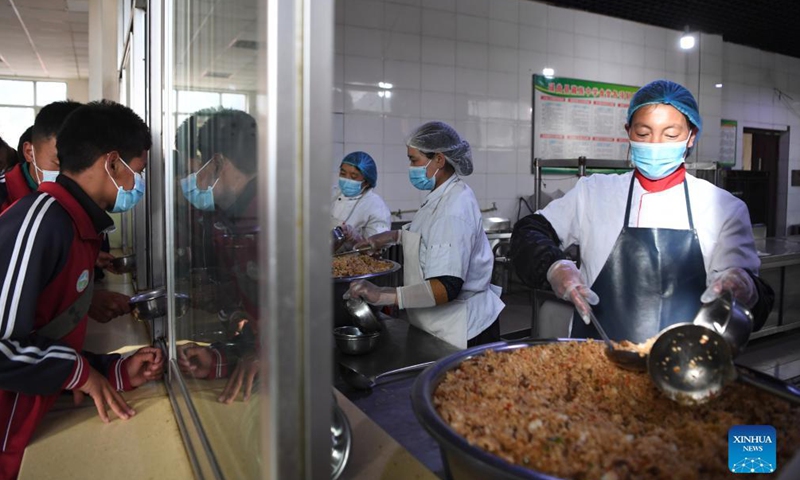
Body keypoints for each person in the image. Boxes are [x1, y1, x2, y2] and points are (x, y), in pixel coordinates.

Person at [509, 79, 774, 343]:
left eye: (670, 135)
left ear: (691, 136)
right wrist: (555, 267)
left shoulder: (723, 207)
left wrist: (745, 288)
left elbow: (754, 306)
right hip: (595, 357)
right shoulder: (594, 192)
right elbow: (529, 231)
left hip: (684, 365)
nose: (656, 144)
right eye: (644, 134)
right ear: (628, 132)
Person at [0, 100, 164, 477]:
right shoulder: (42, 223)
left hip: (27, 427)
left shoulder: (78, 228)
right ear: (111, 163)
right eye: (137, 172)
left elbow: (43, 338)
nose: (138, 185)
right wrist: (80, 372)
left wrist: (110, 371)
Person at [344, 121, 505, 349]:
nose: (411, 167)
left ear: (439, 159)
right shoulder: (441, 195)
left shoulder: (453, 209)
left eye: (414, 160)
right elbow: (428, 233)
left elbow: (446, 287)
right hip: (437, 324)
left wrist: (382, 295)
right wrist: (391, 237)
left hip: (462, 331)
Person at [0, 101, 130, 324]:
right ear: (30, 152)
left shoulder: (78, 205)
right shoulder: (9, 201)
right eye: (58, 162)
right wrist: (83, 301)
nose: (68, 173)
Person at [177, 109, 261, 404]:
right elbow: (253, 316)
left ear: (216, 162)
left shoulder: (269, 217)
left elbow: (308, 318)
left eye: (200, 163)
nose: (196, 174)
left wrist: (270, 353)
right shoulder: (231, 217)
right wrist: (221, 358)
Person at [332, 151, 391, 244]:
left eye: (353, 176)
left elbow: (377, 247)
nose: (346, 179)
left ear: (366, 182)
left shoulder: (376, 206)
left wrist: (355, 237)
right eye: (343, 174)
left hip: (352, 257)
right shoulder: (332, 193)